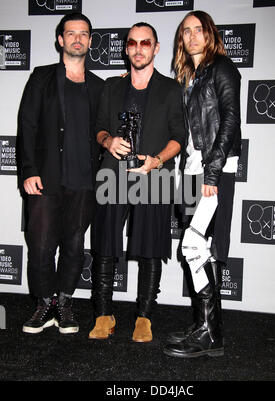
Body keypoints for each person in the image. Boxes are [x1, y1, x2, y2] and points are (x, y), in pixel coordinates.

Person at [89, 22, 186, 342]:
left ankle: (144, 316)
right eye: (132, 43)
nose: (138, 48)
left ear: (156, 48)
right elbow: (100, 128)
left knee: (151, 246)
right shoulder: (110, 87)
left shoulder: (172, 89)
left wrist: (157, 160)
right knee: (104, 246)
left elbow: (179, 137)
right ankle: (104, 313)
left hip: (154, 173)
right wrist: (108, 142)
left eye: (146, 42)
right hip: (112, 171)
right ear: (126, 48)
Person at [18, 13, 104, 334]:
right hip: (46, 178)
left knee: (73, 246)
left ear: (91, 41)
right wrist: (28, 169)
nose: (78, 39)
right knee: (40, 245)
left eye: (84, 34)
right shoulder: (41, 78)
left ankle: (65, 304)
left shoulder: (99, 87)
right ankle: (44, 304)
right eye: (72, 33)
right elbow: (27, 126)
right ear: (61, 39)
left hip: (84, 181)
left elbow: (106, 129)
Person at [163, 10, 241, 358]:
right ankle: (206, 328)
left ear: (209, 34)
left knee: (192, 248)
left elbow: (230, 121)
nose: (192, 36)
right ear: (181, 39)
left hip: (213, 170)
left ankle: (210, 331)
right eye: (186, 31)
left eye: (198, 30)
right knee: (201, 251)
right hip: (192, 170)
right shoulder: (187, 77)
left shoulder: (222, 69)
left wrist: (213, 172)